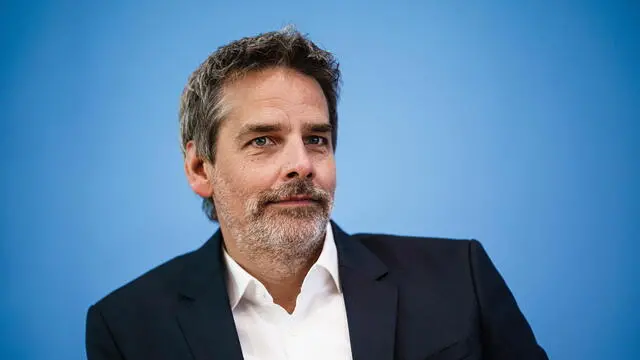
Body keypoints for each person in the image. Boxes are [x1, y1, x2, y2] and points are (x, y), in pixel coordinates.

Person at [85, 26, 548, 360]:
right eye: (262, 140)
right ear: (199, 167)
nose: (301, 164)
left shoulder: (457, 279)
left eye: (316, 139)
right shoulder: (128, 327)